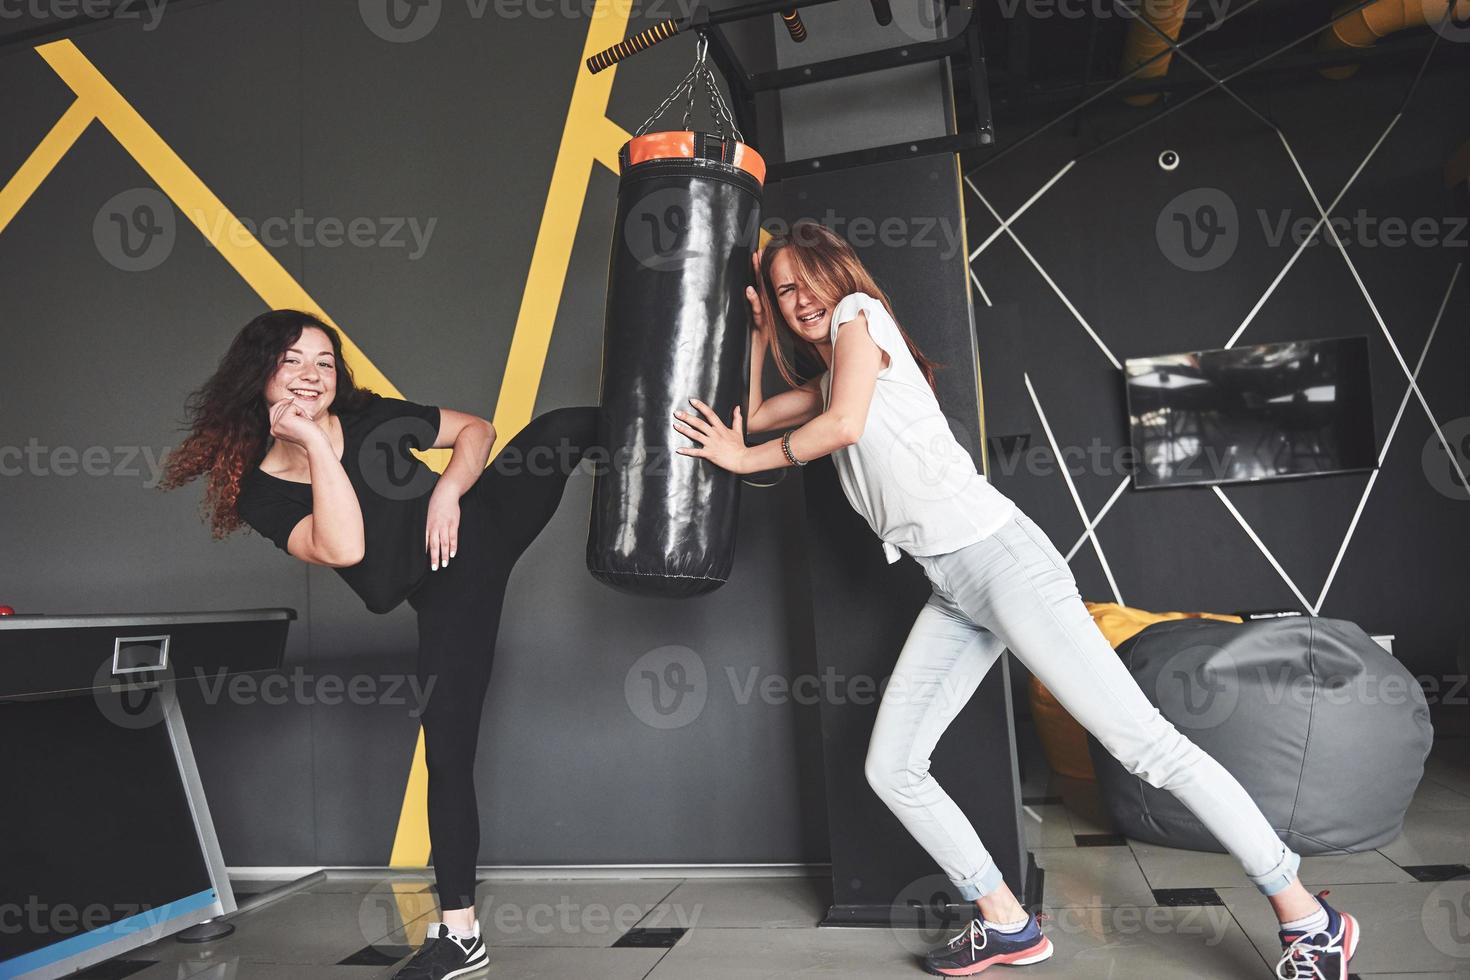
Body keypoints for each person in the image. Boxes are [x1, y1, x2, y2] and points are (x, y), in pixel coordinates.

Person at [670, 220, 1360, 979]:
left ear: (841, 275)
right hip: (954, 585)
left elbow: (838, 428)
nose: (797, 299)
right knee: (892, 766)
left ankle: (1309, 916)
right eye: (780, 289)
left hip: (1001, 561)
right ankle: (1004, 920)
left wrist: (742, 457)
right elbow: (755, 417)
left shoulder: (857, 320)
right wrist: (762, 336)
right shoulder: (833, 368)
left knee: (1148, 747)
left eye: (804, 281)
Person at [160, 310, 600, 980]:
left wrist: (450, 490)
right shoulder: (261, 492)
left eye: (325, 362)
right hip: (449, 588)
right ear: (260, 374)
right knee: (448, 751)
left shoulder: (370, 416)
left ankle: (724, 450)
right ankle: (461, 936)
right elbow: (346, 546)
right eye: (294, 361)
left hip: (485, 519)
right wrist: (311, 443)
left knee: (568, 425)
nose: (313, 376)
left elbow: (475, 430)